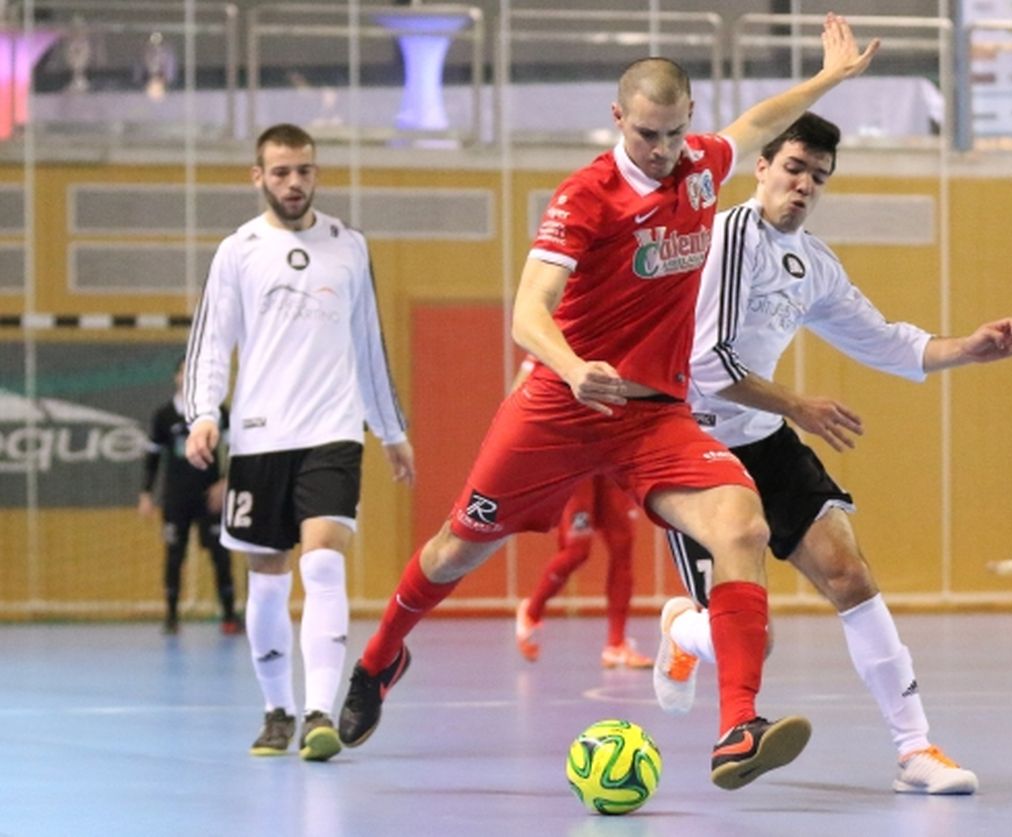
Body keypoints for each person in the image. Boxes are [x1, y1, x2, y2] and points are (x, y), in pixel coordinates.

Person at [339, 15, 879, 792]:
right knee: (460, 544)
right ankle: (381, 653)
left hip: (652, 414)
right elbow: (530, 309)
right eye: (648, 135)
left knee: (745, 523)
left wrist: (827, 81)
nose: (661, 152)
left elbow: (756, 121)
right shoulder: (584, 197)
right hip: (560, 405)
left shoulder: (699, 166)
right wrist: (570, 363)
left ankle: (736, 727)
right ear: (618, 118)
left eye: (674, 134)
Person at [653, 112, 1012, 795]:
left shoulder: (814, 265)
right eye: (795, 169)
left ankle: (916, 748)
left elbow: (888, 341)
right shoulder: (725, 238)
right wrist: (801, 405)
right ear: (762, 168)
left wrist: (968, 349)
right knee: (755, 640)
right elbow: (708, 365)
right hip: (698, 449)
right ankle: (684, 630)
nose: (804, 187)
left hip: (765, 440)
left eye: (819, 178)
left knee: (850, 574)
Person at [183, 123, 414, 763]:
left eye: (303, 171)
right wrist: (204, 414)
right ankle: (276, 710)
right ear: (258, 177)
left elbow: (370, 345)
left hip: (332, 433)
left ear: (316, 173)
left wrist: (390, 430)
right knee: (267, 579)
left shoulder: (349, 247)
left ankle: (319, 710)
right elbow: (211, 340)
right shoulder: (239, 251)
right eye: (280, 172)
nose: (293, 182)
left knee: (322, 562)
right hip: (261, 437)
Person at [138, 356, 240, 636]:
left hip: (210, 497)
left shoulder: (218, 412)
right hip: (176, 498)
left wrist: (225, 483)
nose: (188, 377)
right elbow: (153, 457)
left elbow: (237, 449)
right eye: (184, 372)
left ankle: (229, 615)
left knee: (220, 555)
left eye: (194, 373)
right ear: (177, 377)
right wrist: (147, 493)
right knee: (174, 555)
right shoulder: (164, 416)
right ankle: (171, 616)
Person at [515, 473, 652, 669]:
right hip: (580, 466)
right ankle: (531, 611)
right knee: (577, 551)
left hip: (614, 464)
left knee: (622, 549)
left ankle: (616, 644)